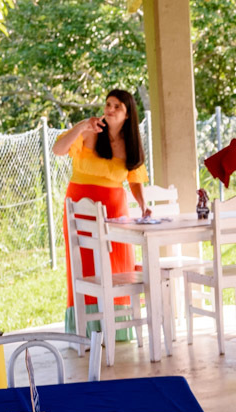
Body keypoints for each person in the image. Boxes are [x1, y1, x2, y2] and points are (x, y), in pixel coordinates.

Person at [52, 89, 148, 337]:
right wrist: (81, 126)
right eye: (108, 104)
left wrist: (143, 204)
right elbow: (58, 149)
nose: (110, 109)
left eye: (117, 106)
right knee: (85, 268)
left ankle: (117, 330)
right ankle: (87, 330)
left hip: (115, 213)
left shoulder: (131, 143)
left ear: (128, 114)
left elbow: (135, 179)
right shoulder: (89, 131)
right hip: (80, 210)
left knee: (117, 268)